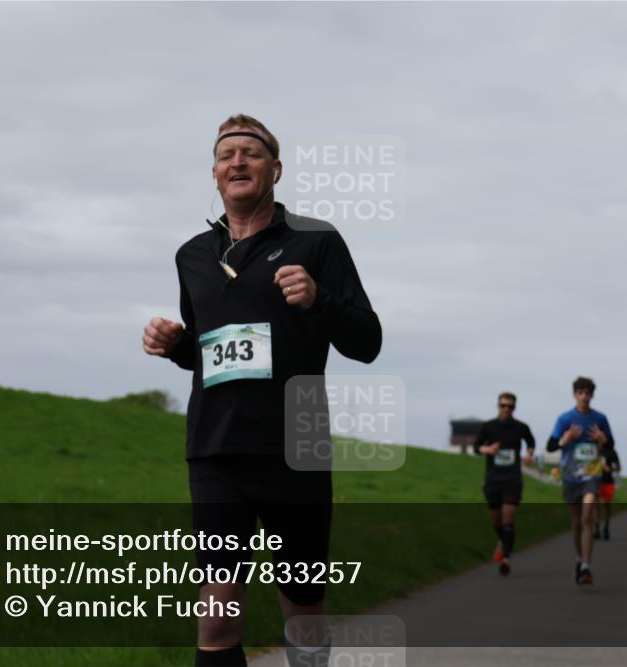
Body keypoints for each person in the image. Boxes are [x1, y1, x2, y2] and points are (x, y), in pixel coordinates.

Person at [142, 114, 382, 667]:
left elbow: (367, 342)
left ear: (275, 169)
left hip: (294, 449)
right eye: (227, 155)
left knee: (302, 607)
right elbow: (210, 353)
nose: (238, 162)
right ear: (215, 174)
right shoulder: (192, 256)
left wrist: (319, 298)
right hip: (216, 449)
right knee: (218, 612)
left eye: (251, 152)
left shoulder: (316, 242)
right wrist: (176, 344)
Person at [546, 376, 614, 585]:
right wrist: (565, 440)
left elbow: (610, 446)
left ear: (592, 395)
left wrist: (603, 440)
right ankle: (578, 557)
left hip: (592, 475)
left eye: (588, 393)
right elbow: (550, 446)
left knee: (586, 517)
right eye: (580, 393)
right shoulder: (565, 419)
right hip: (570, 476)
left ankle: (586, 566)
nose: (584, 397)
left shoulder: (600, 419)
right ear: (574, 394)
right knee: (576, 522)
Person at [473, 392, 536, 576]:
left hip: (512, 479)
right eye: (503, 405)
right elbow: (476, 447)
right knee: (497, 522)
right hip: (493, 479)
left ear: (515, 408)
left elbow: (531, 441)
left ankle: (506, 559)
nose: (506, 409)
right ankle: (503, 542)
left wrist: (530, 453)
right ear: (497, 406)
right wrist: (488, 449)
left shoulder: (521, 427)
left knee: (508, 519)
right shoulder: (488, 427)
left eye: (510, 406)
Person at [595, 444, 621, 540]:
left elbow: (619, 467)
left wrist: (610, 469)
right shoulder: (593, 448)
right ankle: (597, 529)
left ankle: (606, 528)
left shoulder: (611, 451)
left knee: (607, 506)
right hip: (595, 481)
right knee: (595, 505)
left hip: (608, 482)